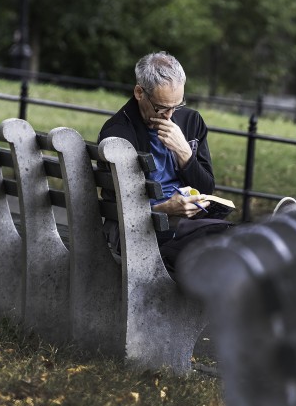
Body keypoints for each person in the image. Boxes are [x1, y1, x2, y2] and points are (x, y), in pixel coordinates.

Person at [98, 51, 233, 274]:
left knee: (228, 240)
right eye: (162, 107)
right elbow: (121, 209)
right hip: (140, 236)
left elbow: (206, 187)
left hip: (186, 226)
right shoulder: (118, 135)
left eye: (176, 106)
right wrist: (166, 210)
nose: (170, 115)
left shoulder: (190, 121)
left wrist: (183, 151)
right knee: (225, 243)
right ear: (139, 92)